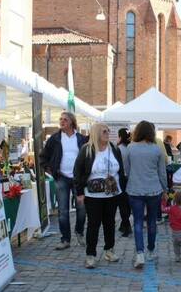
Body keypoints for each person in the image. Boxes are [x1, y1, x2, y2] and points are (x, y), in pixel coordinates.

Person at [73, 123, 124, 269]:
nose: (107, 133)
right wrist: (80, 192)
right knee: (93, 225)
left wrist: (122, 190)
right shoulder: (87, 150)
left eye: (108, 131)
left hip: (112, 193)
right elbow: (77, 172)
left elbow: (120, 169)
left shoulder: (114, 149)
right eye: (104, 131)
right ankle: (91, 255)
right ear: (96, 133)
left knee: (110, 223)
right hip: (93, 195)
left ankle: (109, 250)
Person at [39, 111, 88, 250]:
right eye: (60, 119)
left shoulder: (81, 139)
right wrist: (51, 171)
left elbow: (88, 156)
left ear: (72, 122)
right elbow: (43, 157)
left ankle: (79, 232)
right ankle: (65, 239)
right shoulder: (54, 139)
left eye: (65, 119)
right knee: (63, 211)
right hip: (61, 178)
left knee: (82, 209)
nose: (62, 121)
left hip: (78, 179)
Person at [126, 121, 167, 269]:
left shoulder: (130, 148)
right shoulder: (157, 149)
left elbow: (127, 170)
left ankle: (140, 253)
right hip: (154, 189)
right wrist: (165, 190)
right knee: (151, 221)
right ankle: (150, 250)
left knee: (137, 221)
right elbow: (162, 172)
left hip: (135, 189)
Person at [116, 128, 132, 237]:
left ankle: (126, 225)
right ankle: (123, 224)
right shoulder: (131, 148)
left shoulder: (118, 149)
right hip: (131, 179)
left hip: (121, 179)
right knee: (128, 203)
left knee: (122, 204)